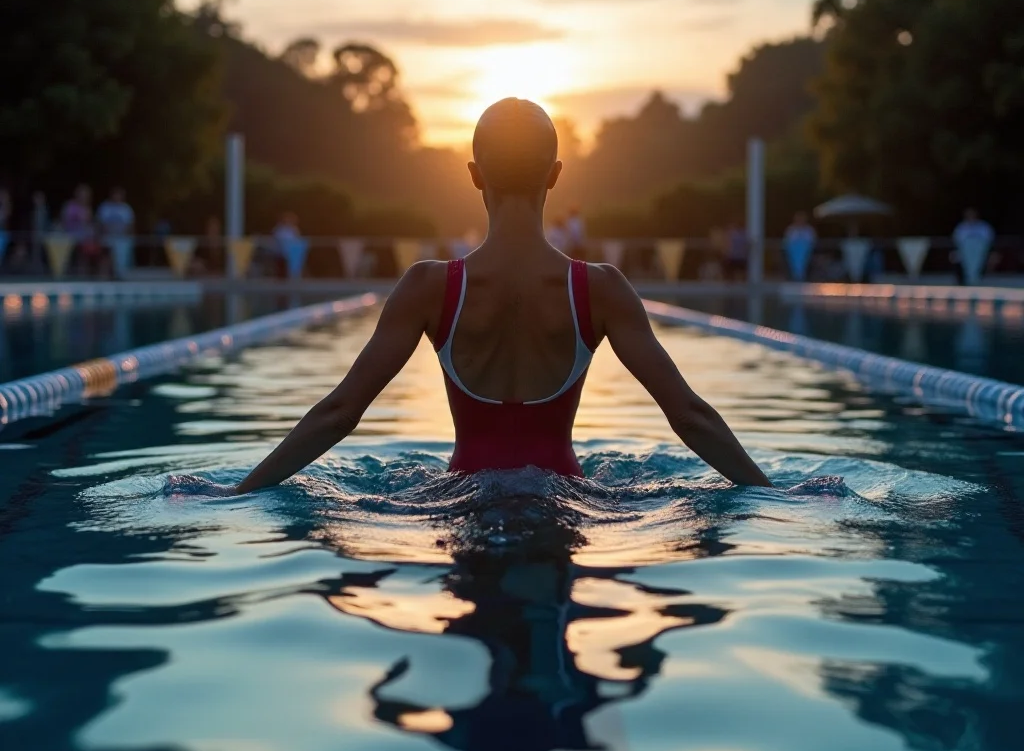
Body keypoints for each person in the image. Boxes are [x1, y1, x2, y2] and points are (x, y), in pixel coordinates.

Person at [188, 98, 772, 496]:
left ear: (473, 174)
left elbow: (341, 412)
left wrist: (239, 492)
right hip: (566, 501)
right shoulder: (598, 289)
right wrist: (773, 494)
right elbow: (689, 415)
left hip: (461, 500)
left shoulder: (429, 287)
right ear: (555, 174)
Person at [60, 185, 100, 275]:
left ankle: (85, 272)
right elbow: (64, 222)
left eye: (86, 195)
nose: (84, 197)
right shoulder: (70, 206)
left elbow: (89, 224)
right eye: (82, 194)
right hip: (69, 235)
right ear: (77, 195)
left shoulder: (88, 208)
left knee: (92, 245)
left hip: (84, 237)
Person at [96, 187, 135, 278]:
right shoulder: (105, 207)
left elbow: (130, 225)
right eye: (115, 194)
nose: (117, 197)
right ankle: (103, 276)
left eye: (119, 195)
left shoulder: (126, 209)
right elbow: (100, 224)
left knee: (122, 248)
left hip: (121, 238)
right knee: (106, 252)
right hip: (107, 237)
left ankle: (120, 275)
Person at [951, 207, 995, 284]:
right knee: (956, 257)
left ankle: (977, 278)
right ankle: (965, 280)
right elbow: (957, 240)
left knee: (981, 261)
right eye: (968, 215)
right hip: (965, 252)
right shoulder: (961, 227)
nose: (970, 217)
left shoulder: (983, 226)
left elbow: (989, 240)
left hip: (980, 252)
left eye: (972, 215)